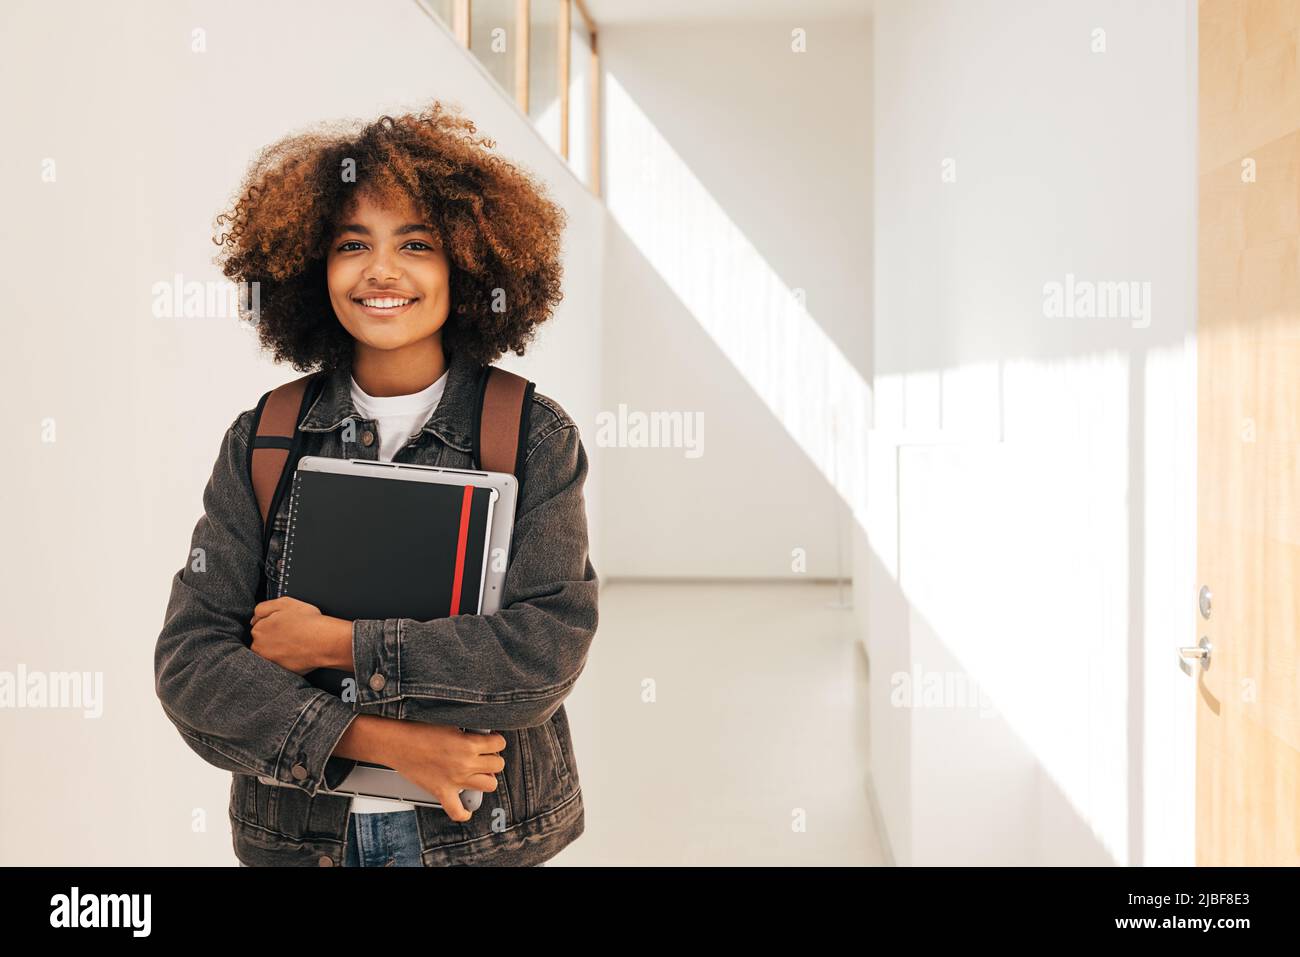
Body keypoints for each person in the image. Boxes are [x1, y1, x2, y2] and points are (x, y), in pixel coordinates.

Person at [155, 102, 598, 867]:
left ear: (466, 262)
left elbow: (542, 655)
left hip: (479, 838)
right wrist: (381, 738)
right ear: (311, 266)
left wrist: (332, 644)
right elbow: (194, 666)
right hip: (302, 839)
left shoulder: (531, 434)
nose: (381, 271)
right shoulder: (263, 437)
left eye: (416, 244)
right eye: (352, 244)